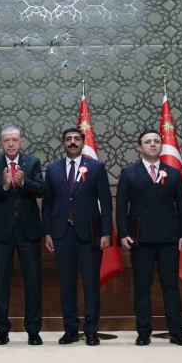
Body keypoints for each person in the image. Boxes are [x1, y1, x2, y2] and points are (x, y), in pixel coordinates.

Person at [116, 129, 182, 346]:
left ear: (161, 145)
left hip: (169, 238)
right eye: (148, 142)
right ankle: (143, 332)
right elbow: (121, 207)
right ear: (140, 147)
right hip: (140, 239)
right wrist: (123, 233)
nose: (152, 144)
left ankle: (176, 332)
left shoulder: (173, 173)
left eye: (156, 141)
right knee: (142, 288)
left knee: (171, 288)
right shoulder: (129, 172)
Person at [43, 127, 112, 346]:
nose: (72, 142)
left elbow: (106, 203)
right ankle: (70, 329)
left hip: (90, 234)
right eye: (68, 139)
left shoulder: (96, 167)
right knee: (67, 284)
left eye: (76, 139)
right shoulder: (52, 169)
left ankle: (91, 330)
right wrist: (47, 232)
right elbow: (47, 204)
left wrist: (106, 232)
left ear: (83, 142)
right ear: (63, 143)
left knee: (91, 284)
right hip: (62, 234)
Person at [0, 126, 45, 346]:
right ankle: (1, 331)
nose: (11, 144)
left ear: (21, 142)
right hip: (1, 232)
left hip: (28, 231)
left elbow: (42, 189)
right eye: (7, 140)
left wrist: (23, 183)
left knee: (33, 282)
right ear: (1, 143)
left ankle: (34, 331)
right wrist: (3, 185)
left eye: (14, 140)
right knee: (1, 282)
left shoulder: (32, 162)